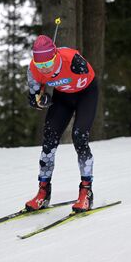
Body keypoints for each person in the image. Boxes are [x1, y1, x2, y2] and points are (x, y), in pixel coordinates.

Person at [25, 35, 98, 212]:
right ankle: (43, 192)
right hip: (63, 97)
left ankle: (86, 192)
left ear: (55, 56)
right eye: (41, 66)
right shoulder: (34, 70)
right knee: (49, 139)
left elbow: (82, 68)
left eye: (48, 64)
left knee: (79, 137)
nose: (45, 69)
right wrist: (41, 100)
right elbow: (35, 99)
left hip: (86, 94)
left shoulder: (72, 60)